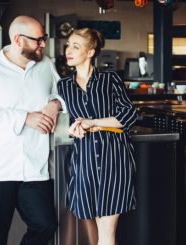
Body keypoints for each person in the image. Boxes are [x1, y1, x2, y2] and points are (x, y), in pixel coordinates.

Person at [0, 15, 65, 245]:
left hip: (34, 167)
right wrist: (25, 118)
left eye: (44, 39)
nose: (43, 44)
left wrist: (55, 104)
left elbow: (61, 92)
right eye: (38, 40)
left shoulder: (46, 64)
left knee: (45, 225)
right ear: (18, 40)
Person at [57, 28, 138, 245]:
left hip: (114, 157)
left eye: (76, 46)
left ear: (91, 52)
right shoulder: (63, 86)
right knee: (94, 228)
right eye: (68, 46)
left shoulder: (110, 79)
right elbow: (63, 123)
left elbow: (129, 115)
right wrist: (72, 128)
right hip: (84, 160)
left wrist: (94, 122)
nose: (69, 51)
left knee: (107, 232)